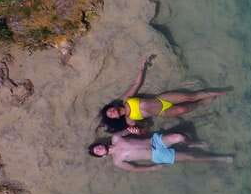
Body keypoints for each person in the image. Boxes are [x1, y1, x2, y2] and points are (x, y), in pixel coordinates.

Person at [99, 55, 229, 133]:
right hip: (162, 112)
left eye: (109, 110)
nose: (111, 112)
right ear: (115, 119)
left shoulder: (126, 100)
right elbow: (146, 128)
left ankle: (223, 91)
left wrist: (142, 67)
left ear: (112, 107)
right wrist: (138, 131)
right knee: (184, 108)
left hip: (161, 99)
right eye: (110, 115)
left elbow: (136, 84)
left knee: (190, 96)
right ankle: (201, 103)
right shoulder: (129, 120)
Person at [88, 129, 233, 172]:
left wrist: (135, 130)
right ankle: (218, 158)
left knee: (180, 136)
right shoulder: (117, 161)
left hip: (154, 141)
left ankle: (193, 143)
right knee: (191, 158)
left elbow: (128, 130)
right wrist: (152, 168)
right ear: (101, 156)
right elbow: (134, 169)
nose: (99, 149)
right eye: (98, 152)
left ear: (100, 144)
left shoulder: (115, 138)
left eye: (97, 147)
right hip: (157, 155)